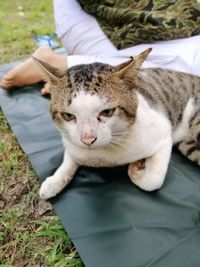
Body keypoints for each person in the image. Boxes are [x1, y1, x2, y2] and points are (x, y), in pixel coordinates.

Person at [1, 0, 200, 95]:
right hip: (93, 20)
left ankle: (71, 68)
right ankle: (63, 65)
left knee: (184, 77)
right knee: (183, 79)